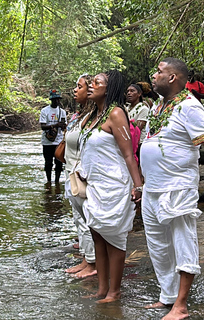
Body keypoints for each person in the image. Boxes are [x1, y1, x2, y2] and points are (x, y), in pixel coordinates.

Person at [140, 58, 204, 320]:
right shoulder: (158, 106)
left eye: (159, 72)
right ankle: (167, 297)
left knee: (183, 242)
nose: (154, 75)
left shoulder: (190, 107)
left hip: (177, 188)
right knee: (158, 247)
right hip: (152, 188)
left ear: (172, 77)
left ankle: (181, 306)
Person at [76, 69, 143, 303]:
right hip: (95, 187)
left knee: (114, 239)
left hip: (114, 187)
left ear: (110, 87)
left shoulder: (115, 114)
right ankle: (101, 289)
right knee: (98, 238)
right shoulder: (94, 115)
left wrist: (138, 186)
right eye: (91, 82)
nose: (91, 85)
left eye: (97, 82)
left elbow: (128, 154)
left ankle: (114, 292)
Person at [63, 74, 96, 279]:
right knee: (78, 219)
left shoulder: (92, 117)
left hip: (80, 175)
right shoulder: (78, 115)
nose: (75, 90)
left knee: (86, 220)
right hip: (69, 173)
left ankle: (92, 262)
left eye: (80, 86)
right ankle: (86, 257)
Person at [39, 89, 67, 184]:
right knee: (48, 163)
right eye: (55, 99)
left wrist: (63, 126)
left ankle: (57, 181)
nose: (57, 101)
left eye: (58, 99)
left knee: (59, 163)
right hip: (47, 141)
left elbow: (64, 126)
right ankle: (49, 181)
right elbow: (42, 126)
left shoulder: (62, 112)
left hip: (58, 141)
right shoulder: (44, 111)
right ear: (51, 100)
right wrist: (55, 125)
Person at [126, 83, 149, 154]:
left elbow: (138, 129)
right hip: (128, 142)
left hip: (138, 145)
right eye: (128, 91)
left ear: (139, 94)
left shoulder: (143, 109)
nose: (129, 93)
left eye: (132, 91)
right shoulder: (126, 108)